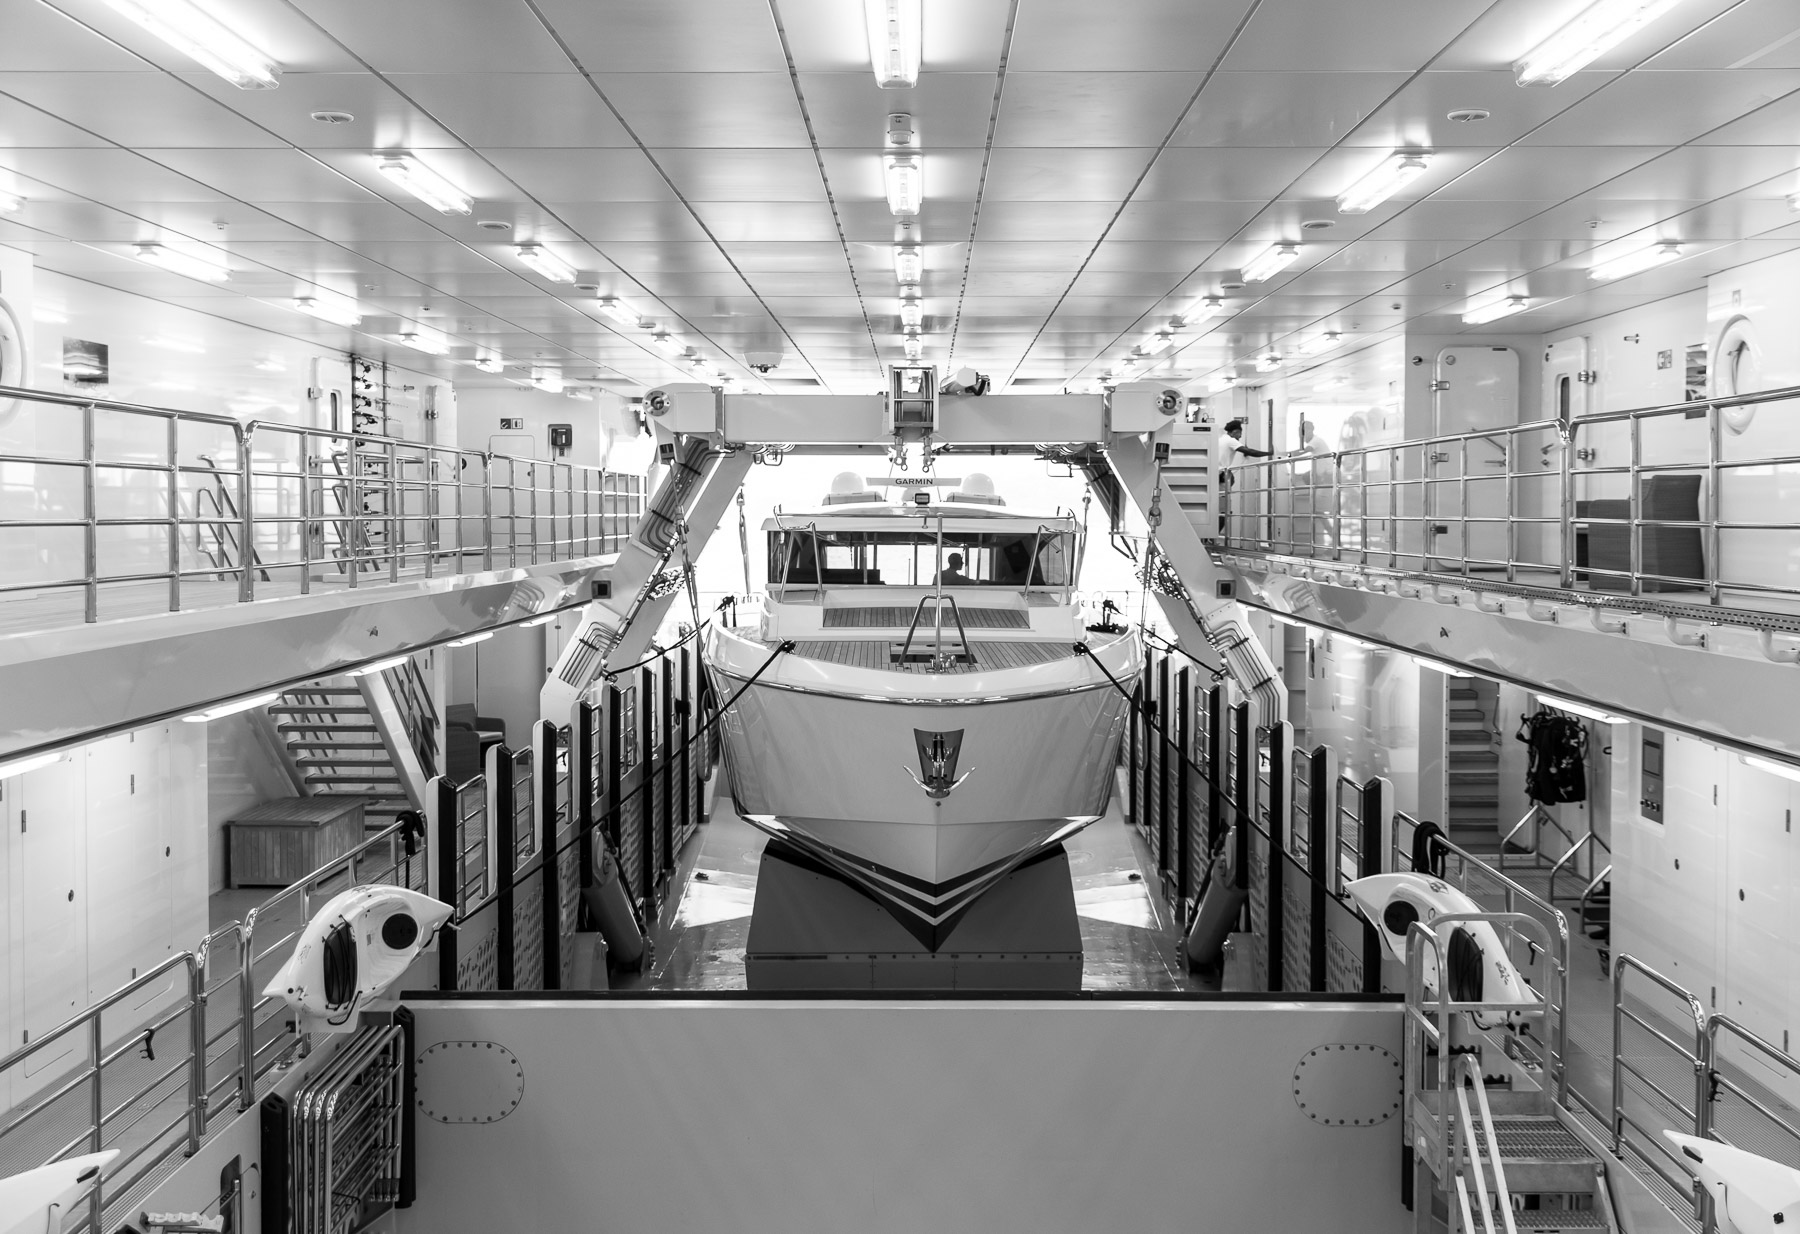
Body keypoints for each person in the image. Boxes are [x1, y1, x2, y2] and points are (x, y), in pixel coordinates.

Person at [1217, 418, 1271, 536]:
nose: (1240, 437)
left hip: (1216, 476)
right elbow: (1251, 452)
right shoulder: (1231, 441)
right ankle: (1213, 536)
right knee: (1224, 511)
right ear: (1235, 432)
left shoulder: (1221, 439)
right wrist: (1269, 453)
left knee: (1220, 509)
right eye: (1239, 434)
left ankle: (1211, 536)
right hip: (1221, 478)